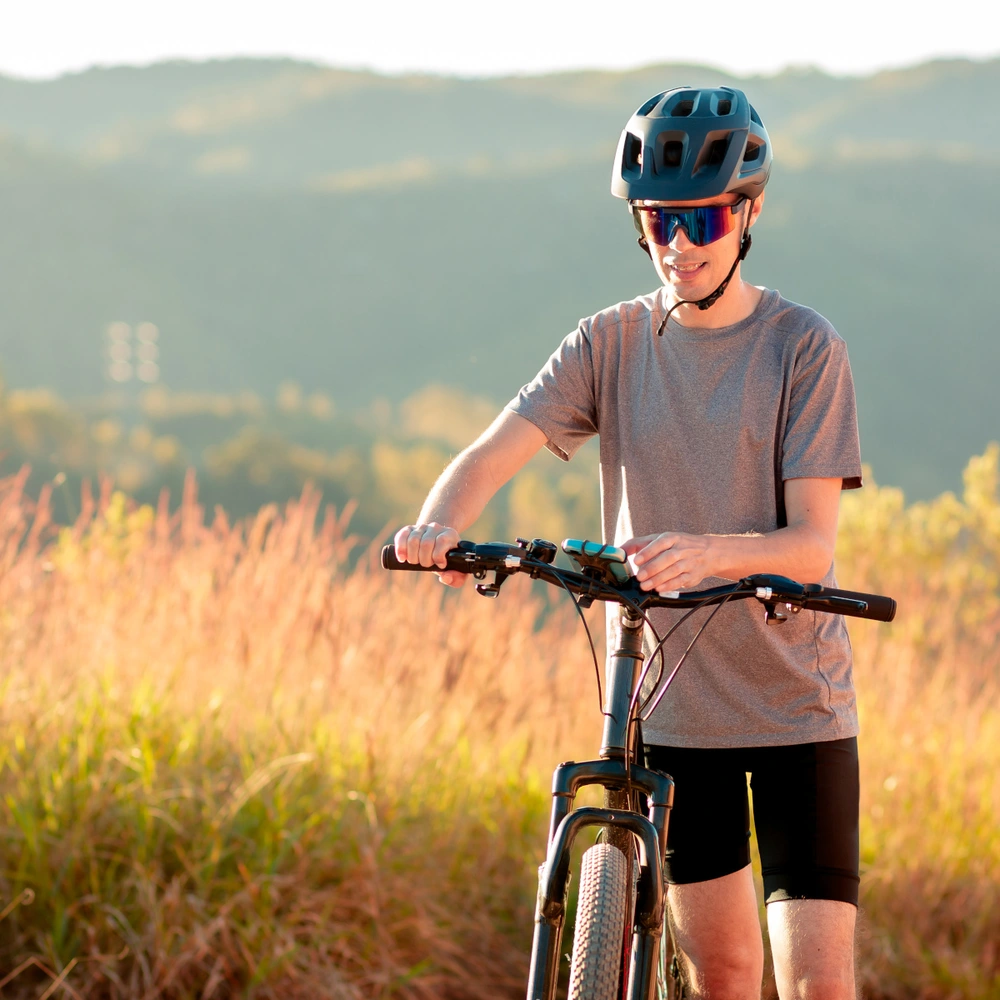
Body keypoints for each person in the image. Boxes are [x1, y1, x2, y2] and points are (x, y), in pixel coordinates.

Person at [394, 85, 863, 1000]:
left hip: (796, 708)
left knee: (813, 983)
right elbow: (494, 450)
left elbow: (809, 546)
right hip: (671, 708)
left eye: (703, 218)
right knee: (721, 972)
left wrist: (713, 552)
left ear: (749, 212)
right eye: (658, 222)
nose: (679, 245)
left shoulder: (803, 348)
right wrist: (439, 526)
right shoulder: (606, 342)